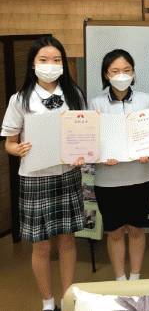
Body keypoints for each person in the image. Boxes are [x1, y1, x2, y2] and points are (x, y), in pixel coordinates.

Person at [1, 36, 87, 311]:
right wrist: (17, 149)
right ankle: (48, 302)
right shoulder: (20, 99)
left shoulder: (74, 95)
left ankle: (67, 298)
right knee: (41, 245)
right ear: (33, 64)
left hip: (67, 175)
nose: (50, 65)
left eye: (56, 60)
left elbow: (83, 132)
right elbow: (9, 143)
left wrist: (82, 153)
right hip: (35, 177)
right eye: (44, 60)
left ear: (63, 64)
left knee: (68, 240)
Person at [89, 49, 149, 282]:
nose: (122, 75)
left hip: (140, 177)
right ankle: (121, 280)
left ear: (133, 72)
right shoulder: (96, 103)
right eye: (116, 71)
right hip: (108, 181)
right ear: (106, 74)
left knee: (137, 230)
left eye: (127, 70)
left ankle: (135, 278)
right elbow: (90, 141)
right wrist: (101, 156)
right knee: (116, 232)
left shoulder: (145, 100)